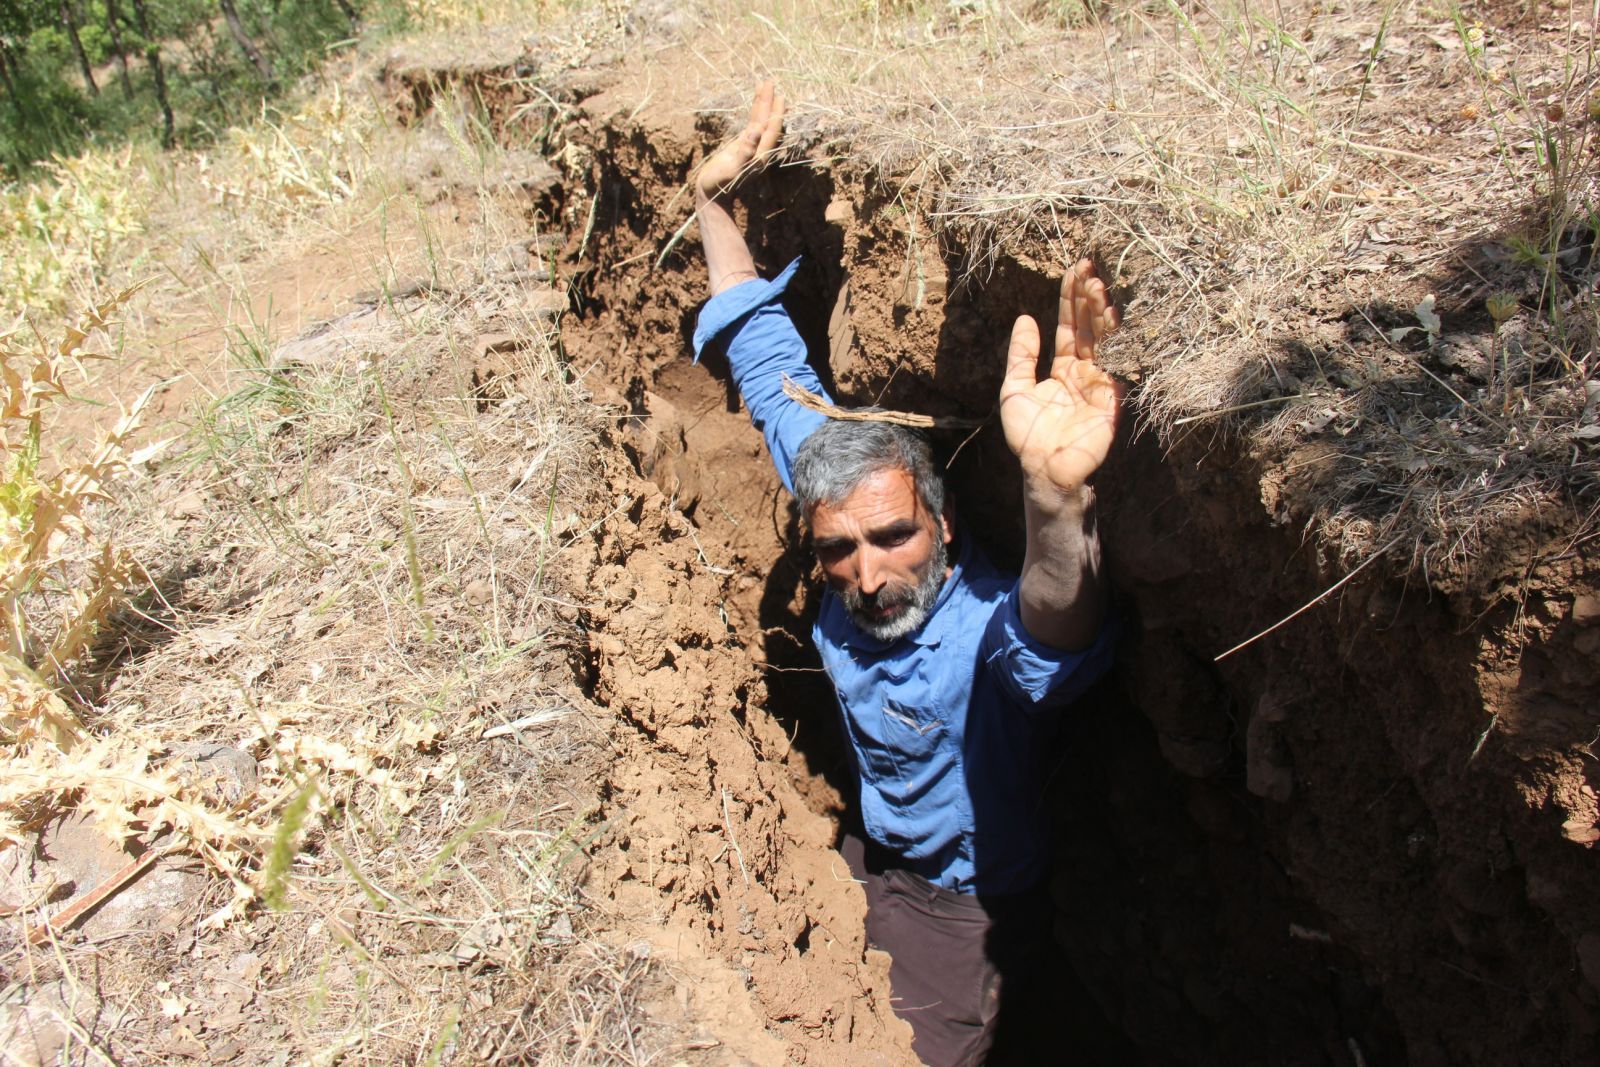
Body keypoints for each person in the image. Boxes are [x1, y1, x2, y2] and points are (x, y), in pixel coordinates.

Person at [690, 84, 1121, 1066]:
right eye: (838, 550)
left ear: (944, 518)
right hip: (867, 857)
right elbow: (762, 353)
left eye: (892, 538)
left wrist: (1056, 499)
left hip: (964, 909)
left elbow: (1050, 631)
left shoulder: (976, 631)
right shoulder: (840, 488)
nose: (866, 571)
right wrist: (709, 197)